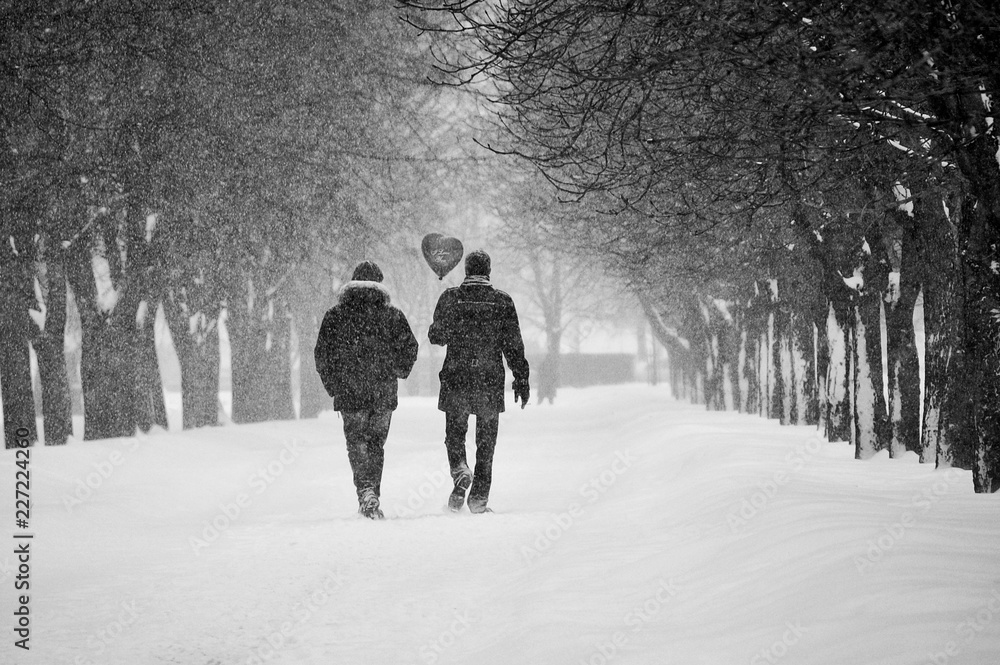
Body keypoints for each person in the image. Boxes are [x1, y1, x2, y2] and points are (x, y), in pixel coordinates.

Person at [314, 261, 418, 519]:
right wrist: (397, 370)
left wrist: (334, 385)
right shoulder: (392, 315)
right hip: (382, 392)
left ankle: (365, 492)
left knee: (356, 443)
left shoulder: (335, 316)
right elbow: (410, 348)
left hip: (350, 393)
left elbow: (322, 354)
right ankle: (371, 491)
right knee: (375, 445)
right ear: (380, 285)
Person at [428, 249, 530, 514]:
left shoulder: (451, 298)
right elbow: (513, 345)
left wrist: (446, 326)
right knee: (486, 442)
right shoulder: (502, 302)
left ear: (466, 271)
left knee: (454, 435)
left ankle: (460, 469)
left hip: (457, 377)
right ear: (488, 271)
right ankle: (479, 498)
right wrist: (521, 378)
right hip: (489, 379)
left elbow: (437, 336)